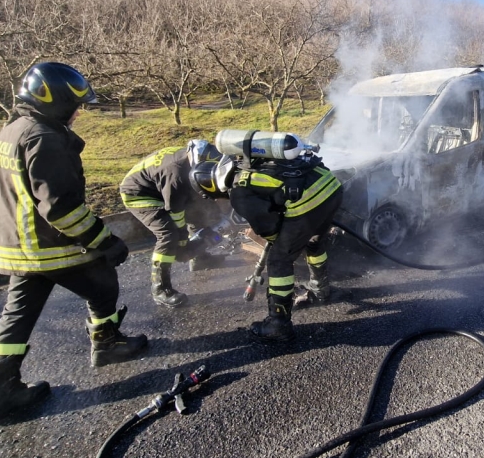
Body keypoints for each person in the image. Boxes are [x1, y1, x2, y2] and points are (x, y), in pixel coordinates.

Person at [0, 62, 147, 424]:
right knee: (102, 282)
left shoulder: (13, 130)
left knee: (18, 314)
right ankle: (107, 344)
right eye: (75, 105)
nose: (79, 112)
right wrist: (103, 240)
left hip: (20, 243)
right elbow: (61, 207)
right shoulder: (44, 138)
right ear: (54, 101)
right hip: (48, 243)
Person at [199, 141, 343, 342]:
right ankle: (321, 288)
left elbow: (270, 229)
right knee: (314, 241)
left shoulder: (238, 192)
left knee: (278, 260)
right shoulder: (247, 164)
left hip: (310, 200)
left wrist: (286, 244)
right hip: (330, 187)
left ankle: (278, 323)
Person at [119, 140, 228, 308]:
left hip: (160, 186)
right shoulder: (176, 174)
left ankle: (200, 259)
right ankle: (160, 289)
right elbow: (175, 212)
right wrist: (183, 245)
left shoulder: (194, 160)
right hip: (138, 193)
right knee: (168, 234)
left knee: (197, 213)